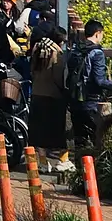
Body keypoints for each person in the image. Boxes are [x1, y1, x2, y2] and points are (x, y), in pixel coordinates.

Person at [65, 18, 112, 155]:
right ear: (97, 34)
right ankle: (94, 172)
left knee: (80, 140)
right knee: (97, 139)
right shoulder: (97, 53)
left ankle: (80, 170)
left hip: (75, 100)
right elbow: (99, 81)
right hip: (91, 101)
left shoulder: (75, 50)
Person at [29, 25, 71, 173]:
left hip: (37, 94)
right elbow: (59, 78)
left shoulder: (37, 48)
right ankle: (63, 160)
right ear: (60, 41)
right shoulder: (56, 54)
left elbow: (32, 71)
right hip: (53, 96)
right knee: (58, 130)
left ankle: (42, 162)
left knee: (39, 131)